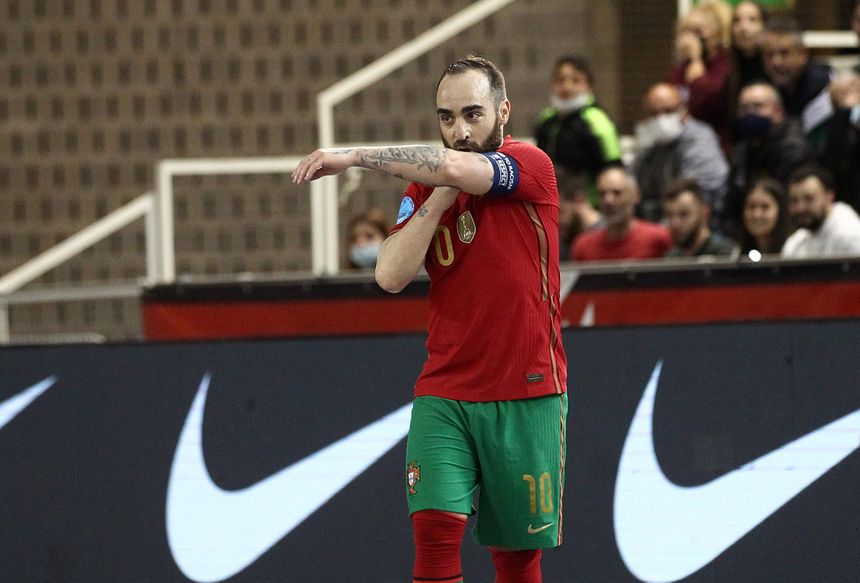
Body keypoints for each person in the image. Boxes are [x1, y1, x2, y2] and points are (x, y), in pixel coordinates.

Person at [294, 55, 567, 583]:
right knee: (435, 534)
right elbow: (390, 275)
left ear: (503, 111)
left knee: (516, 558)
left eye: (472, 114)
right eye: (446, 118)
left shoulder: (532, 165)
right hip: (446, 391)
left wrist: (350, 157)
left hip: (527, 389)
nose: (459, 131)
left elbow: (455, 165)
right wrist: (441, 197)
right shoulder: (424, 186)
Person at [723, 81, 814, 235]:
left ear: (778, 111)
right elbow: (732, 203)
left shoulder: (793, 148)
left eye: (757, 107)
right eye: (744, 108)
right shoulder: (741, 152)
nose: (750, 114)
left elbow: (787, 201)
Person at [632, 82, 728, 223]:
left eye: (668, 111)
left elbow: (696, 194)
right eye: (654, 113)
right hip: (660, 221)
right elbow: (637, 190)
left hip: (703, 224)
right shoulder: (649, 143)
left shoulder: (700, 139)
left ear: (683, 111)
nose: (660, 119)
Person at [534, 56, 621, 189]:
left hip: (589, 202)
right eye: (560, 80)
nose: (567, 87)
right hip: (551, 199)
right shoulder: (546, 119)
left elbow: (613, 168)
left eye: (576, 81)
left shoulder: (599, 122)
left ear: (588, 85)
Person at [667, 3, 733, 150]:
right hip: (683, 145)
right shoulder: (681, 69)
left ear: (719, 33)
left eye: (697, 31)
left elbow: (711, 101)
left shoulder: (726, 64)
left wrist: (696, 61)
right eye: (686, 32)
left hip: (717, 146)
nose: (690, 39)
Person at [572, 165, 672, 261]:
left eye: (617, 193)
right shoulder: (583, 247)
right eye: (602, 194)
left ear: (635, 195)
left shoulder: (659, 239)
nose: (608, 200)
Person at [761, 17, 833, 150]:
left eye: (784, 53)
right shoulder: (767, 91)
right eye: (769, 55)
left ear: (803, 54)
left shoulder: (827, 92)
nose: (776, 62)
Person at [782, 165, 860, 258]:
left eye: (809, 199)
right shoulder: (795, 243)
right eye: (794, 200)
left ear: (829, 198)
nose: (800, 208)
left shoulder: (851, 235)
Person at [662, 178, 737, 258]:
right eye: (669, 215)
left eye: (684, 214)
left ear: (705, 213)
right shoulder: (672, 257)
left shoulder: (726, 255)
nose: (675, 224)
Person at [726, 1, 769, 124]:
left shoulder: (775, 64)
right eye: (737, 21)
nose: (743, 28)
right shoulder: (727, 68)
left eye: (752, 20)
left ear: (765, 26)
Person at [737, 177, 791, 259]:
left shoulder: (794, 249)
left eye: (765, 207)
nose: (756, 215)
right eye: (752, 206)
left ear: (780, 211)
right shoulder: (737, 252)